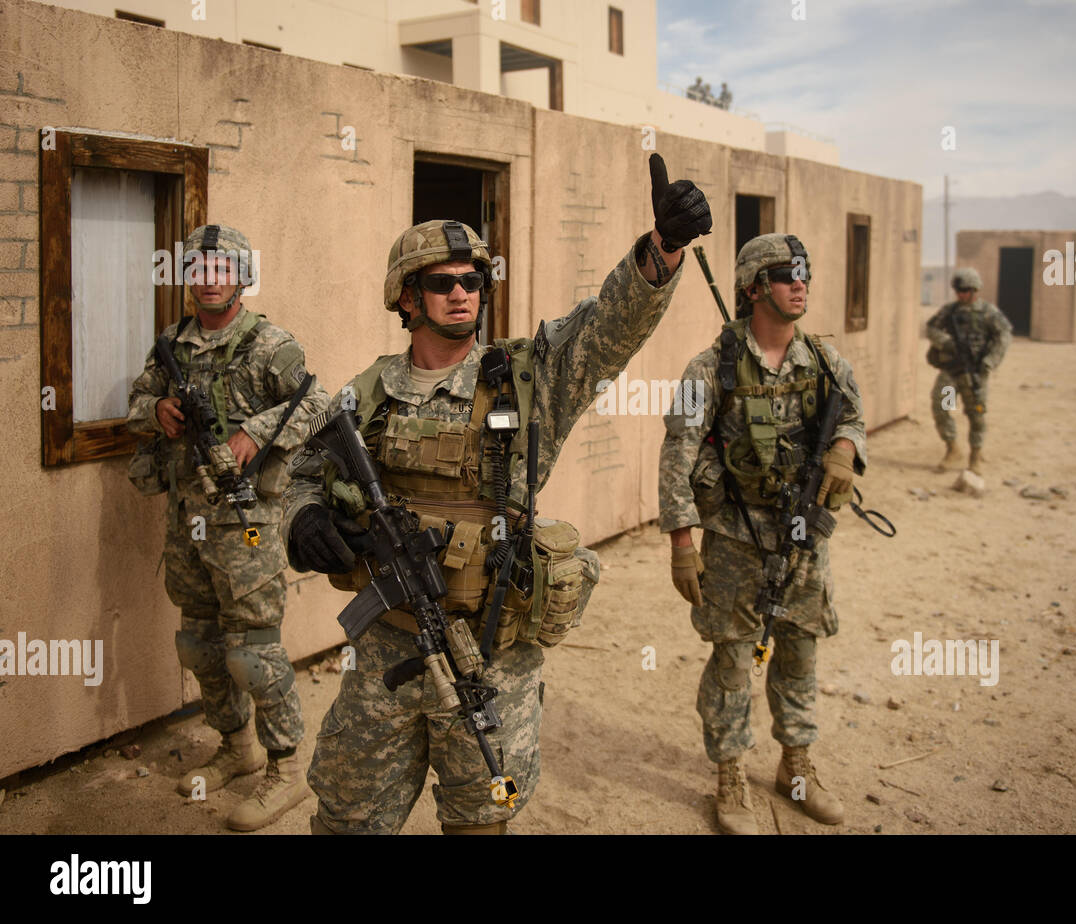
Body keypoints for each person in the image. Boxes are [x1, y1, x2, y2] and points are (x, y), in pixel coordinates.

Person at [284, 154, 712, 834]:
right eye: (442, 282)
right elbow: (302, 470)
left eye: (473, 280)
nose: (462, 293)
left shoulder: (528, 376)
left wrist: (661, 249)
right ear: (405, 297)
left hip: (489, 656)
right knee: (345, 820)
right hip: (384, 655)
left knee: (482, 819)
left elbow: (609, 328)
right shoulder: (364, 393)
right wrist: (303, 516)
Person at [658, 233, 867, 834]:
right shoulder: (711, 367)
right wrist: (680, 542)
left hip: (806, 535)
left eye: (804, 272)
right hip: (735, 537)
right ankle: (730, 773)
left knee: (800, 648)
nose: (799, 283)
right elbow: (679, 451)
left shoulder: (825, 361)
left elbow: (851, 412)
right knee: (731, 656)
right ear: (753, 288)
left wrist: (845, 451)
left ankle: (795, 768)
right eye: (784, 274)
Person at [126, 223, 329, 831]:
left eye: (222, 270)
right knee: (198, 643)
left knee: (254, 653)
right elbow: (137, 402)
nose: (209, 281)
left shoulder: (269, 343)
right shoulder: (172, 343)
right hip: (187, 518)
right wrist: (156, 410)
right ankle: (237, 746)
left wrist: (255, 433)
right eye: (199, 270)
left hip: (246, 522)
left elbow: (319, 405)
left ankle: (287, 769)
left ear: (242, 276)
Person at [925, 267, 1012, 473]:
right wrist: (945, 342)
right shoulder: (950, 311)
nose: (961, 294)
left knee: (977, 413)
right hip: (953, 372)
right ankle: (952, 448)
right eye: (958, 290)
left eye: (965, 290)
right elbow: (931, 328)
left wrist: (990, 361)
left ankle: (976, 455)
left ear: (975, 290)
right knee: (942, 406)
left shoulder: (988, 313)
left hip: (975, 374)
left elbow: (1004, 336)